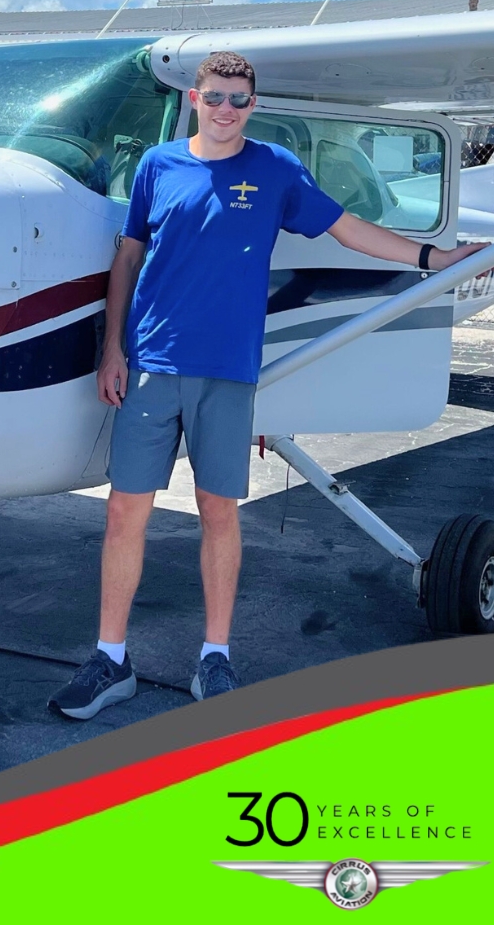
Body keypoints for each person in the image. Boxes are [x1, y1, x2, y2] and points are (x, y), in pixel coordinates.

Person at [48, 50, 488, 720]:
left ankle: (214, 657)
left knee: (219, 513)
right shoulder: (158, 167)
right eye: (216, 97)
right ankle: (110, 658)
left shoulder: (275, 169)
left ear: (253, 106)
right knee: (122, 512)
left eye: (240, 101)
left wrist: (433, 257)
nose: (227, 110)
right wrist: (113, 347)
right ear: (196, 99)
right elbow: (128, 255)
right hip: (152, 366)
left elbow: (345, 227)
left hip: (227, 371)